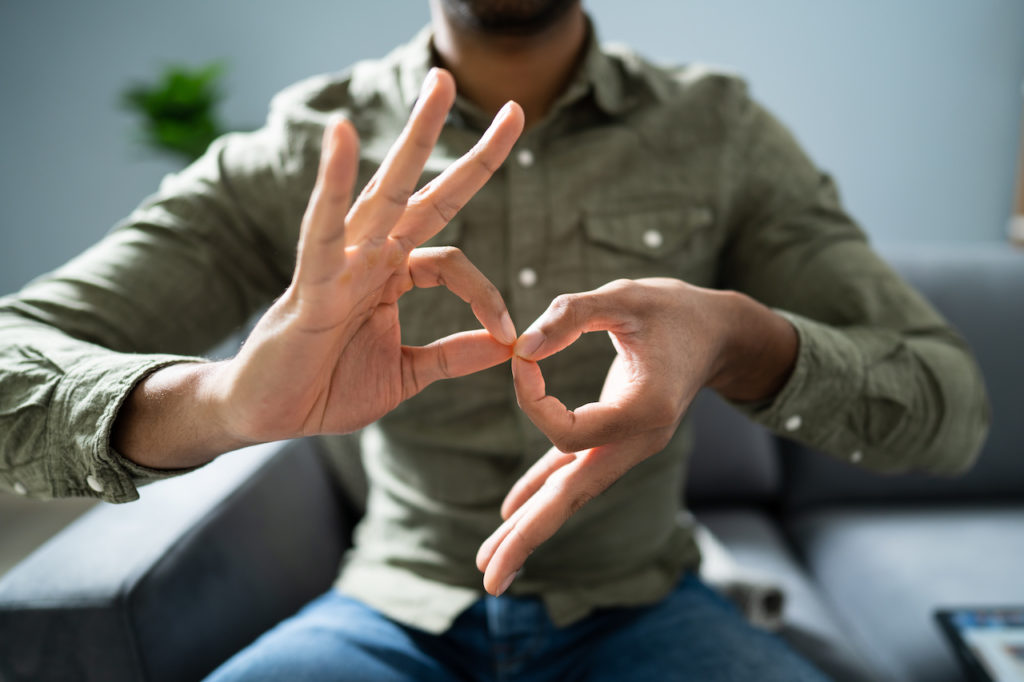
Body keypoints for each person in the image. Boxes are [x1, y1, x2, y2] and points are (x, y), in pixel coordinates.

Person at [0, 0, 989, 679]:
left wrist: (738, 338)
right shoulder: (302, 148)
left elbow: (949, 409)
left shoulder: (718, 129)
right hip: (391, 604)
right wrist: (218, 406)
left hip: (648, 601)